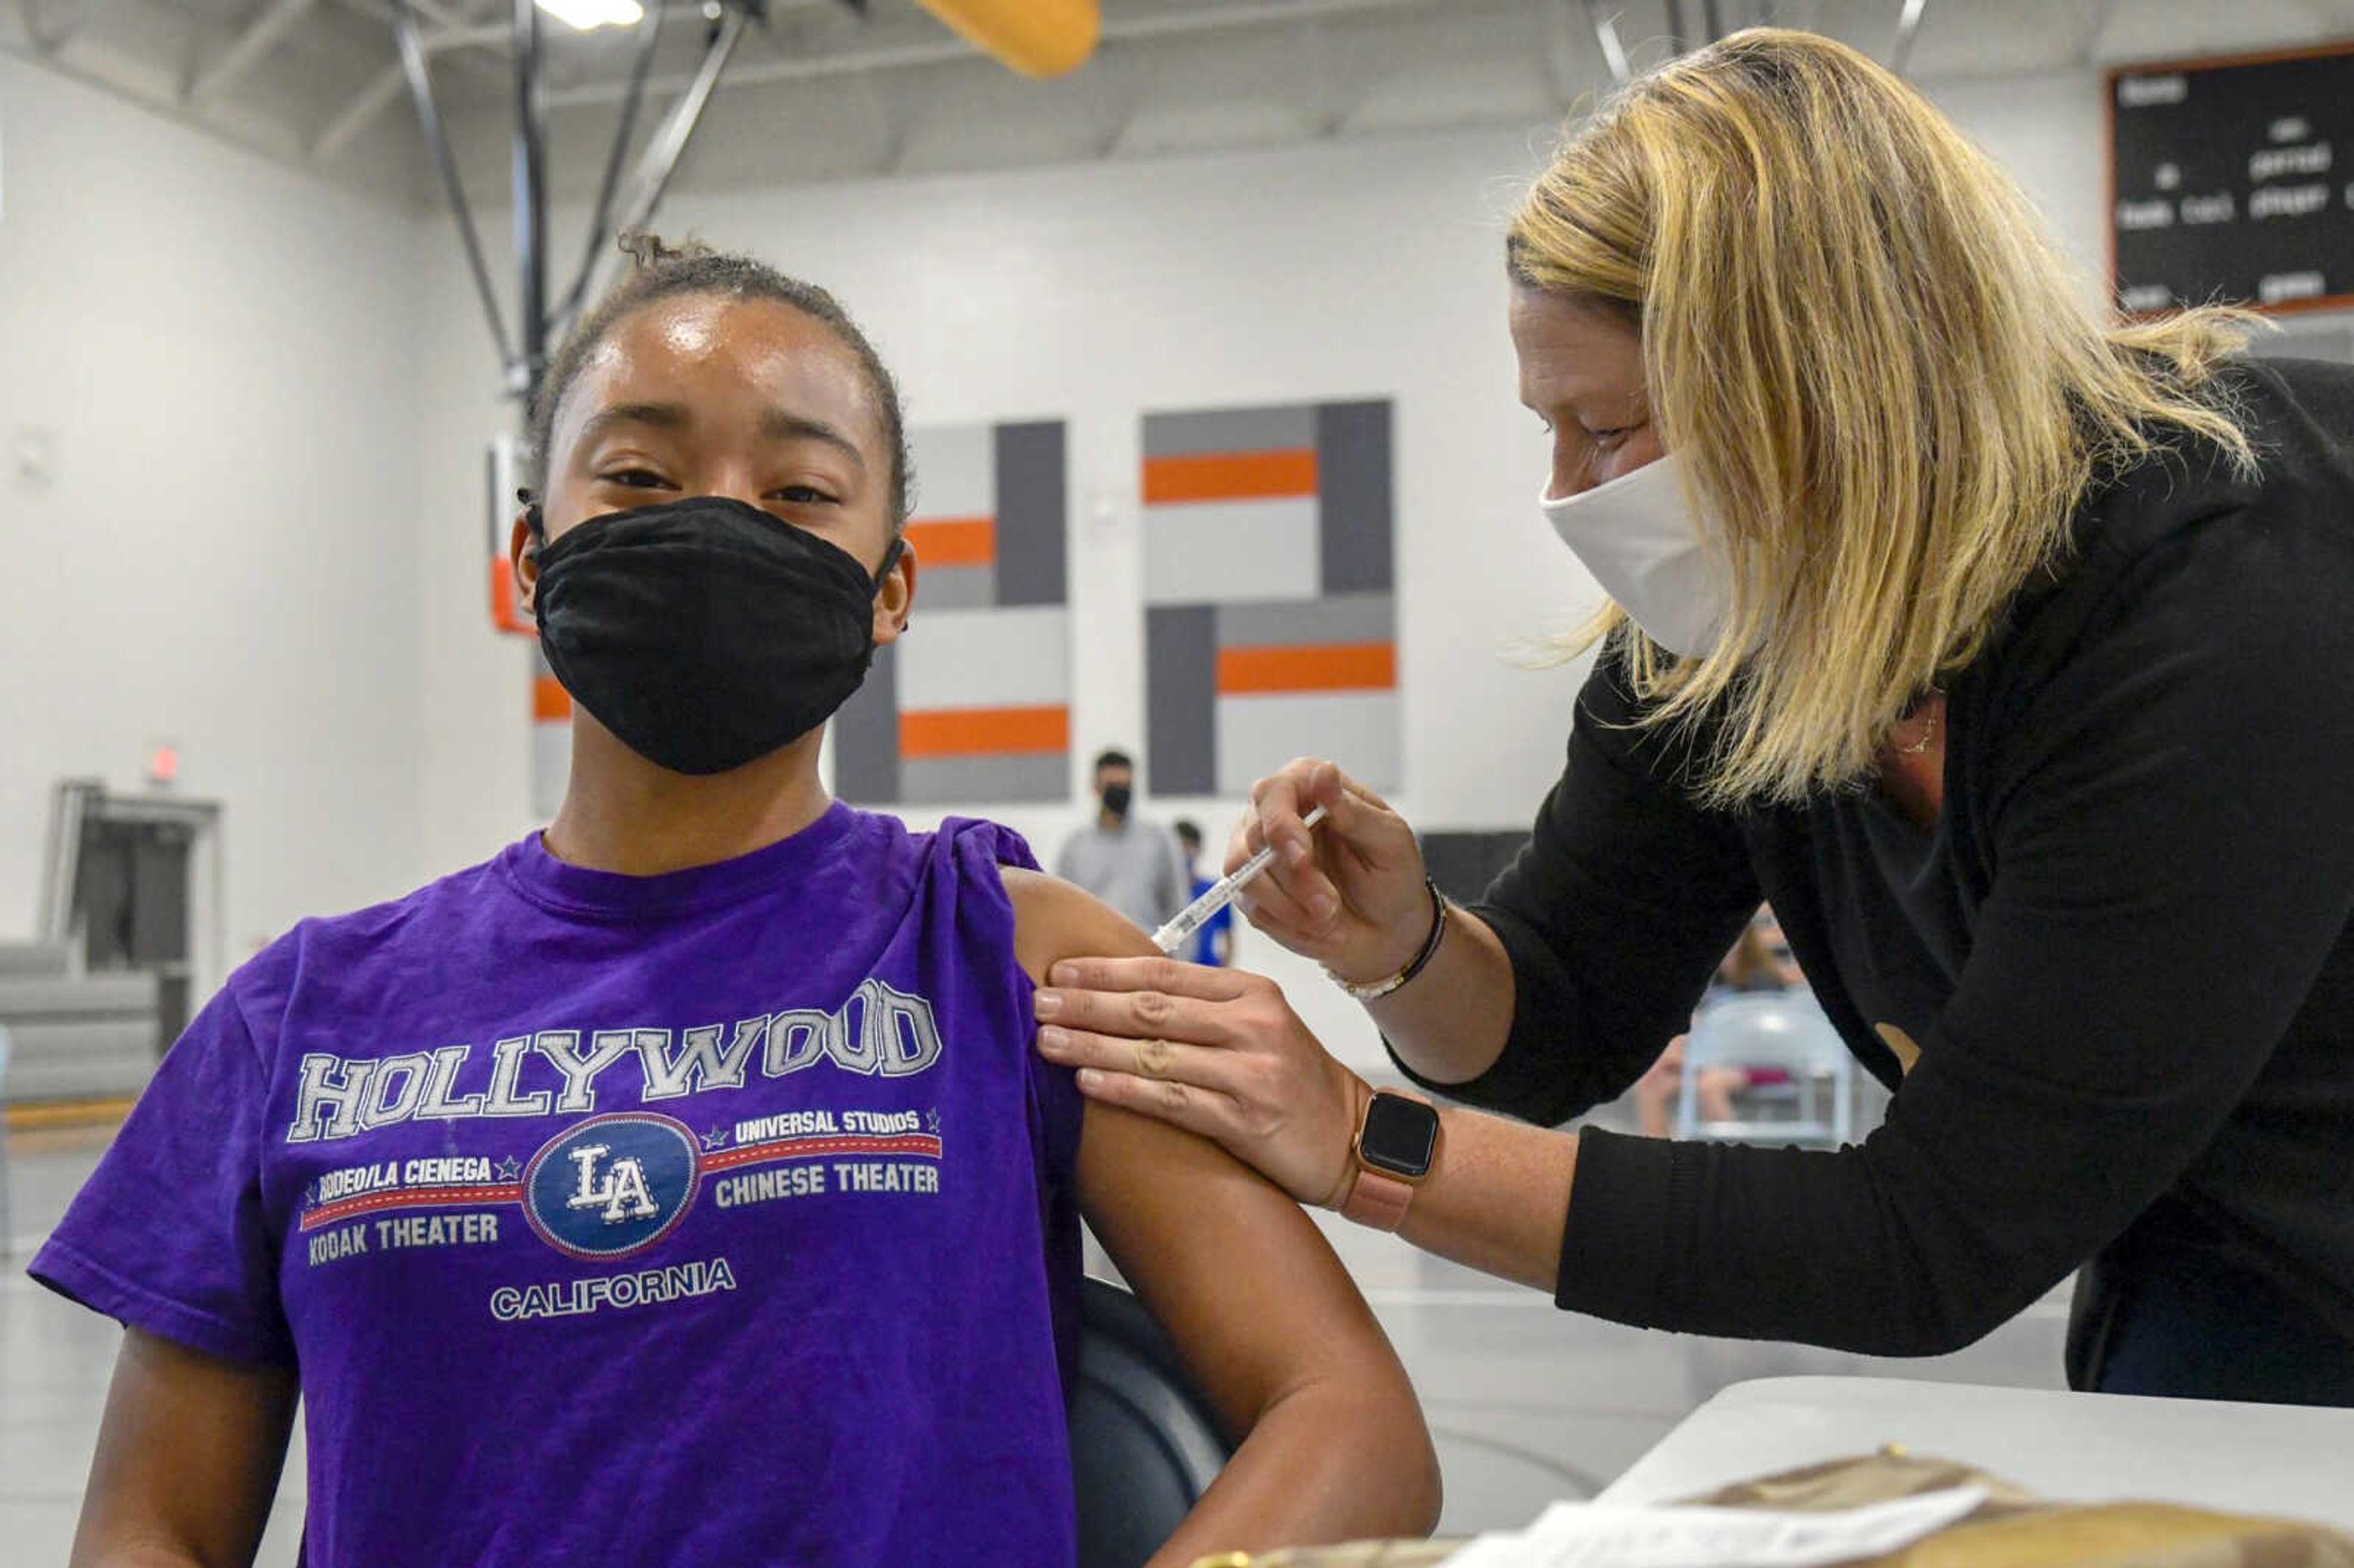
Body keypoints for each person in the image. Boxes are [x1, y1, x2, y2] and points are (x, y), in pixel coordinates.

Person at [29, 236, 1438, 1567]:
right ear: (528, 561)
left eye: (798, 494)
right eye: (638, 476)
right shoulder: (300, 1016)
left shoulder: (1014, 952)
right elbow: (151, 1527)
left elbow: (1345, 1417)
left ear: (889, 590)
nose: (713, 522)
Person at [1032, 29, 2354, 1404]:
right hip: (2211, 1242)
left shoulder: (2216, 580)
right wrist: (1406, 949)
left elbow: (1931, 1241)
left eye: (1611, 430)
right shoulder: (1736, 634)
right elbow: (1558, 1016)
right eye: (1551, 428)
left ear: (1831, 384)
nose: (1569, 494)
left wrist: (1365, 1142)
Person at [1056, 748, 1192, 935]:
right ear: (1096, 787)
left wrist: (1176, 959)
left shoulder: (1158, 841)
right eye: (1112, 786)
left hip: (1146, 955)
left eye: (1125, 786)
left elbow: (1178, 907)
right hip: (1090, 957)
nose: (1119, 793)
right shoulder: (1076, 847)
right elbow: (1063, 911)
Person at [1173, 818, 1236, 967]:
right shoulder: (1159, 894)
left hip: (1207, 971)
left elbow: (1228, 937)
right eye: (1179, 846)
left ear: (1199, 849)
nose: (1183, 852)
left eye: (1188, 845)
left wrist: (1224, 973)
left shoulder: (1214, 892)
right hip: (1171, 973)